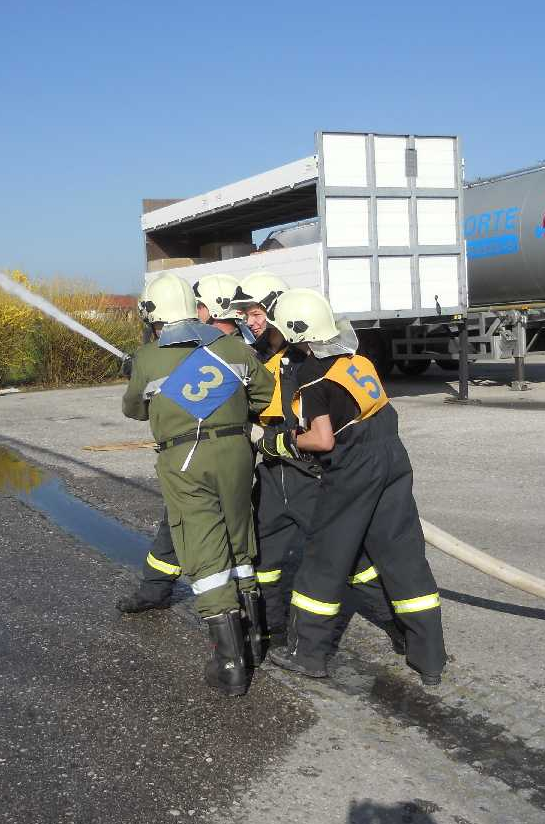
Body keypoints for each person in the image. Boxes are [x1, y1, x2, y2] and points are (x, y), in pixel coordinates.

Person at [265, 288, 446, 686]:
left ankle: (307, 653)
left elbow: (322, 439)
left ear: (296, 331)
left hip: (354, 467)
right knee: (403, 555)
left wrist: (284, 442)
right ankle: (429, 657)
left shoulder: (314, 376)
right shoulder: (356, 359)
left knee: (325, 557)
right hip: (392, 456)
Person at [232, 273, 403, 661]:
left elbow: (320, 424)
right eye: (246, 315)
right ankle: (271, 631)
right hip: (272, 476)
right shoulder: (254, 358)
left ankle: (397, 626)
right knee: (264, 560)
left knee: (350, 559)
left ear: (276, 312)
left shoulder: (307, 359)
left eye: (256, 313)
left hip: (309, 474)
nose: (251, 322)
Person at [122, 273, 275, 696]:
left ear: (154, 316)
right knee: (240, 543)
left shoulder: (148, 357)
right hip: (237, 455)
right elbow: (264, 395)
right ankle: (255, 640)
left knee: (206, 552)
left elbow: (134, 409)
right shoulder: (232, 347)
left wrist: (136, 372)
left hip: (185, 460)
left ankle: (230, 665)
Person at [116, 273, 247, 615]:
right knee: (180, 526)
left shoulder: (222, 346)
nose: (197, 312)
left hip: (203, 458)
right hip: (221, 457)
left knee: (216, 542)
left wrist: (146, 372)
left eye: (201, 305)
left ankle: (231, 619)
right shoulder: (226, 345)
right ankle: (156, 588)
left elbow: (143, 406)